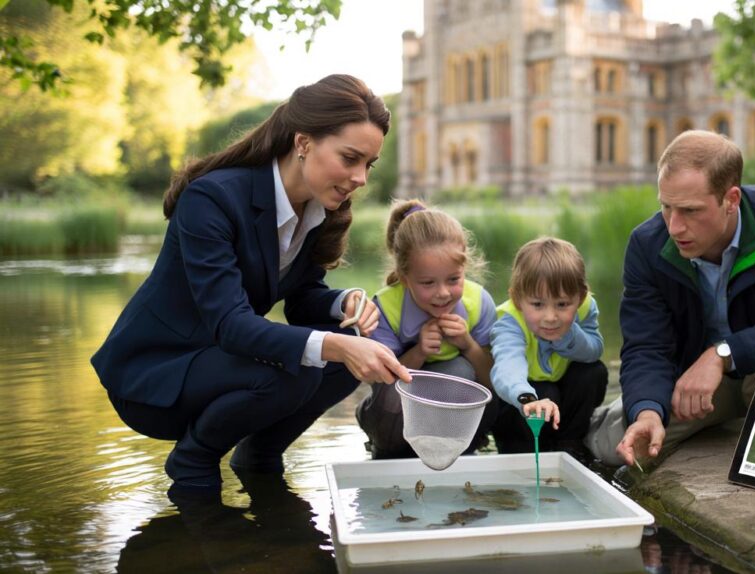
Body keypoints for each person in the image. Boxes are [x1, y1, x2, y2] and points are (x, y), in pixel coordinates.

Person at [91, 74, 411, 494]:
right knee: (302, 366)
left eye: (368, 164)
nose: (360, 178)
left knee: (345, 352)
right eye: (350, 158)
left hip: (223, 362)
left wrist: (343, 303)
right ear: (303, 143)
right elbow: (230, 324)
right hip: (157, 374)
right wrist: (336, 346)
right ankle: (193, 461)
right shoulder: (212, 199)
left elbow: (301, 300)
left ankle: (260, 454)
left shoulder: (320, 208)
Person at [585, 130, 755, 467]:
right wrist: (647, 409)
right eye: (666, 207)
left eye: (690, 211)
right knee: (616, 447)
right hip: (694, 386)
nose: (675, 227)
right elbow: (647, 346)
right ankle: (723, 421)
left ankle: (754, 420)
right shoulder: (646, 245)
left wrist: (723, 354)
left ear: (731, 199)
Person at [356, 199, 499, 459]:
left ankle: (459, 448)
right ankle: (386, 444)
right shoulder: (385, 307)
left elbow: (496, 382)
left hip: (453, 421)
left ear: (464, 270)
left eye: (453, 279)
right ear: (404, 277)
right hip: (395, 415)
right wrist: (420, 351)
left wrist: (468, 345)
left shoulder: (478, 302)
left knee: (461, 371)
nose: (443, 293)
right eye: (428, 283)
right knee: (391, 398)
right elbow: (378, 379)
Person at [490, 237, 608, 456]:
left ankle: (570, 444)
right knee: (545, 391)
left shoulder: (585, 308)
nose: (551, 317)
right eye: (537, 304)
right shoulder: (510, 321)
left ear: (580, 298)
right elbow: (506, 368)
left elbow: (594, 350)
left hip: (559, 401)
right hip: (519, 407)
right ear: (517, 299)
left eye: (562, 304)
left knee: (593, 372)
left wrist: (567, 334)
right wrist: (527, 398)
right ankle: (526, 453)